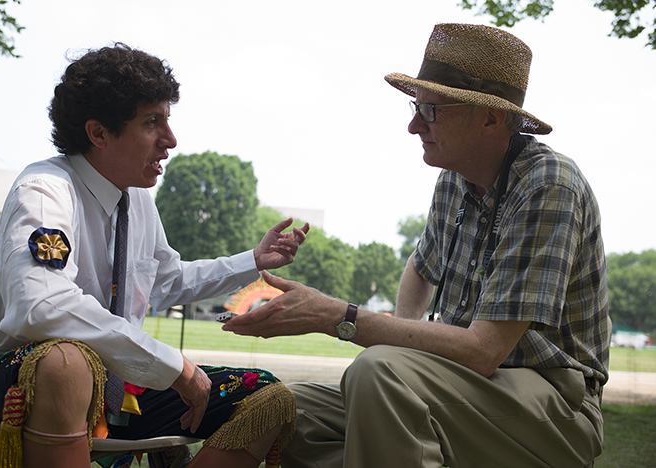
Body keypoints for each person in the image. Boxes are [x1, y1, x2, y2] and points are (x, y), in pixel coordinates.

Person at [223, 23, 610, 468]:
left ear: (490, 117)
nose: (412, 125)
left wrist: (339, 317)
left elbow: (485, 350)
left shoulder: (548, 184)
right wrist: (400, 342)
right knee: (277, 407)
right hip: (464, 388)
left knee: (379, 374)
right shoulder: (455, 177)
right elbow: (421, 266)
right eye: (415, 107)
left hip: (556, 404)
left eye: (430, 110)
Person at [0, 44, 309, 468]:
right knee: (66, 362)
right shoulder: (45, 190)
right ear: (99, 133)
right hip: (26, 384)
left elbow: (167, 280)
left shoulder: (137, 200)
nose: (171, 141)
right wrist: (176, 367)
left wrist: (252, 260)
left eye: (167, 121)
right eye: (151, 122)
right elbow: (40, 304)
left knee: (266, 396)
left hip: (116, 391)